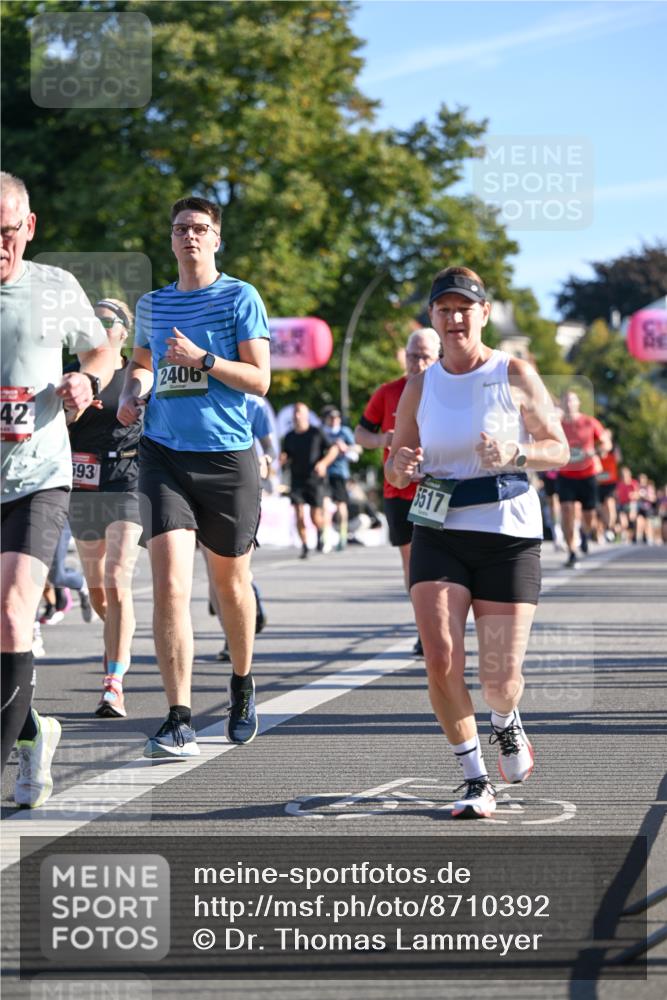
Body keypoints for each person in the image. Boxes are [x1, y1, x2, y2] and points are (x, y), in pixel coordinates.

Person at [385, 266, 569, 819]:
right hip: (438, 530)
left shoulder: (514, 373)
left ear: (484, 314)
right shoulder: (420, 385)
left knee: (500, 680)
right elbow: (395, 471)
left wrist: (516, 455)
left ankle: (506, 720)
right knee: (440, 658)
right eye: (444, 309)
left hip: (507, 534)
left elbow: (558, 449)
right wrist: (401, 463)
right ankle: (473, 777)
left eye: (465, 308)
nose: (455, 317)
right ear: (433, 319)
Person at [117, 195, 270, 757]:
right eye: (181, 228)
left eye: (201, 229)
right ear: (171, 237)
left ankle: (242, 683)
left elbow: (260, 381)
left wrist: (203, 359)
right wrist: (133, 395)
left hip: (228, 456)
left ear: (217, 238)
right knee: (170, 585)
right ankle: (178, 716)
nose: (190, 237)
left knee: (229, 585)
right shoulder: (152, 305)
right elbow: (140, 364)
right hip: (163, 455)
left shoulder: (240, 296)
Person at [1, 171, 112, 805]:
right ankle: (33, 735)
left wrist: (87, 382)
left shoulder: (53, 288)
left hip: (37, 478)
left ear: (30, 226)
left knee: (14, 612)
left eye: (7, 233)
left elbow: (101, 351)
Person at [66, 297, 143, 718]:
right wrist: (69, 411)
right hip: (83, 485)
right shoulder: (70, 376)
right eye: (91, 319)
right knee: (98, 590)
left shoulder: (136, 374)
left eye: (107, 319)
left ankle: (113, 682)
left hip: (127, 480)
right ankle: (120, 637)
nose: (98, 325)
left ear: (123, 331)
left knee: (117, 577)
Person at [355, 327, 441, 655]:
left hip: (434, 488)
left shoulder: (446, 390)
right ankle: (424, 626)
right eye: (412, 356)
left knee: (434, 560)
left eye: (424, 357)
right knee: (413, 563)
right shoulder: (389, 391)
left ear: (437, 358)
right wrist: (383, 440)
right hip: (397, 491)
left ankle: (440, 621)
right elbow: (360, 433)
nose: (417, 363)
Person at [556, 390, 611, 568]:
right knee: (566, 510)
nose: (569, 404)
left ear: (578, 403)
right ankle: (572, 551)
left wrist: (595, 451)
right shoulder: (557, 424)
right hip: (565, 474)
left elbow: (606, 443)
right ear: (562, 404)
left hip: (588, 474)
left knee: (589, 514)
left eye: (572, 400)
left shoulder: (589, 422)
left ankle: (584, 532)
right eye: (565, 401)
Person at [280, 402, 339, 559]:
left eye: (300, 412)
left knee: (315, 517)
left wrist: (323, 463)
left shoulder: (316, 432)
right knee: (298, 513)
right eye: (295, 413)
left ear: (306, 415)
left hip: (315, 479)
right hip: (297, 479)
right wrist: (282, 459)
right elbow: (286, 454)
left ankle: (320, 532)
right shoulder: (289, 436)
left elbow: (334, 449)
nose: (297, 416)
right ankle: (305, 546)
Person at [320, 405, 360, 551]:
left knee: (340, 505)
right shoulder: (322, 432)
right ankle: (325, 537)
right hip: (324, 473)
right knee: (324, 505)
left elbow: (357, 450)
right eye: (331, 417)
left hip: (340, 473)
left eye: (336, 417)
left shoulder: (344, 432)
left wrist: (346, 448)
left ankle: (342, 535)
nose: (334, 420)